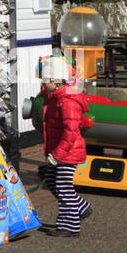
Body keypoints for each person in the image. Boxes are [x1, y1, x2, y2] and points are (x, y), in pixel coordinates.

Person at [40, 56, 94, 238]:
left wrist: (57, 154)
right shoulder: (55, 97)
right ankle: (82, 208)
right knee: (51, 180)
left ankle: (69, 226)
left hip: (67, 152)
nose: (43, 83)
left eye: (46, 80)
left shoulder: (67, 101)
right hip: (60, 150)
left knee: (63, 186)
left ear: (56, 81)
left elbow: (70, 132)